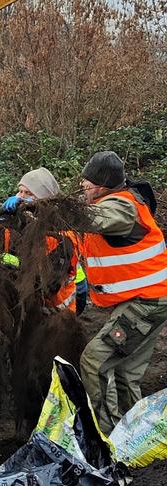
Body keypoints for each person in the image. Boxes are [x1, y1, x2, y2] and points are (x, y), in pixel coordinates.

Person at [79, 150, 167, 433]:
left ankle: (109, 437)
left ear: (103, 185)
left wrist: (46, 207)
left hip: (147, 302)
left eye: (88, 181)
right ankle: (136, 436)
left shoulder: (120, 206)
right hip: (151, 299)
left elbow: (92, 218)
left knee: (95, 361)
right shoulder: (122, 201)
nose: (83, 185)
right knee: (126, 371)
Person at [1, 167, 78, 312]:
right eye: (20, 191)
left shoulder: (59, 235)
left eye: (28, 193)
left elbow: (47, 283)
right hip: (25, 310)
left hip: (55, 314)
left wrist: (10, 261)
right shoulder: (17, 225)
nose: (21, 197)